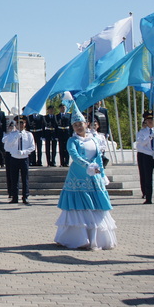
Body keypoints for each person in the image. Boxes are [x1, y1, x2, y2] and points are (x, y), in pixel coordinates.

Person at [54, 103, 117, 249]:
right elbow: (75, 156)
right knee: (79, 205)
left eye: (80, 124)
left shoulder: (94, 139)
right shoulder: (72, 141)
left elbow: (99, 157)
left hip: (94, 176)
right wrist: (87, 165)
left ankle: (98, 238)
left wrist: (102, 172)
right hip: (78, 176)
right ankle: (77, 238)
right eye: (75, 125)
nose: (78, 127)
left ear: (86, 124)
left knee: (95, 205)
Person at [3, 115, 35, 205]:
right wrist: (15, 137)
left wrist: (24, 152)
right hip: (14, 158)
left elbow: (32, 147)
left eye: (22, 123)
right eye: (18, 123)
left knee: (25, 179)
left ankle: (25, 196)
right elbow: (7, 146)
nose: (20, 125)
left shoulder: (29, 134)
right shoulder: (12, 134)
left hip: (24, 158)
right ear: (16, 124)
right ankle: (14, 197)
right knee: (14, 179)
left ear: (25, 124)